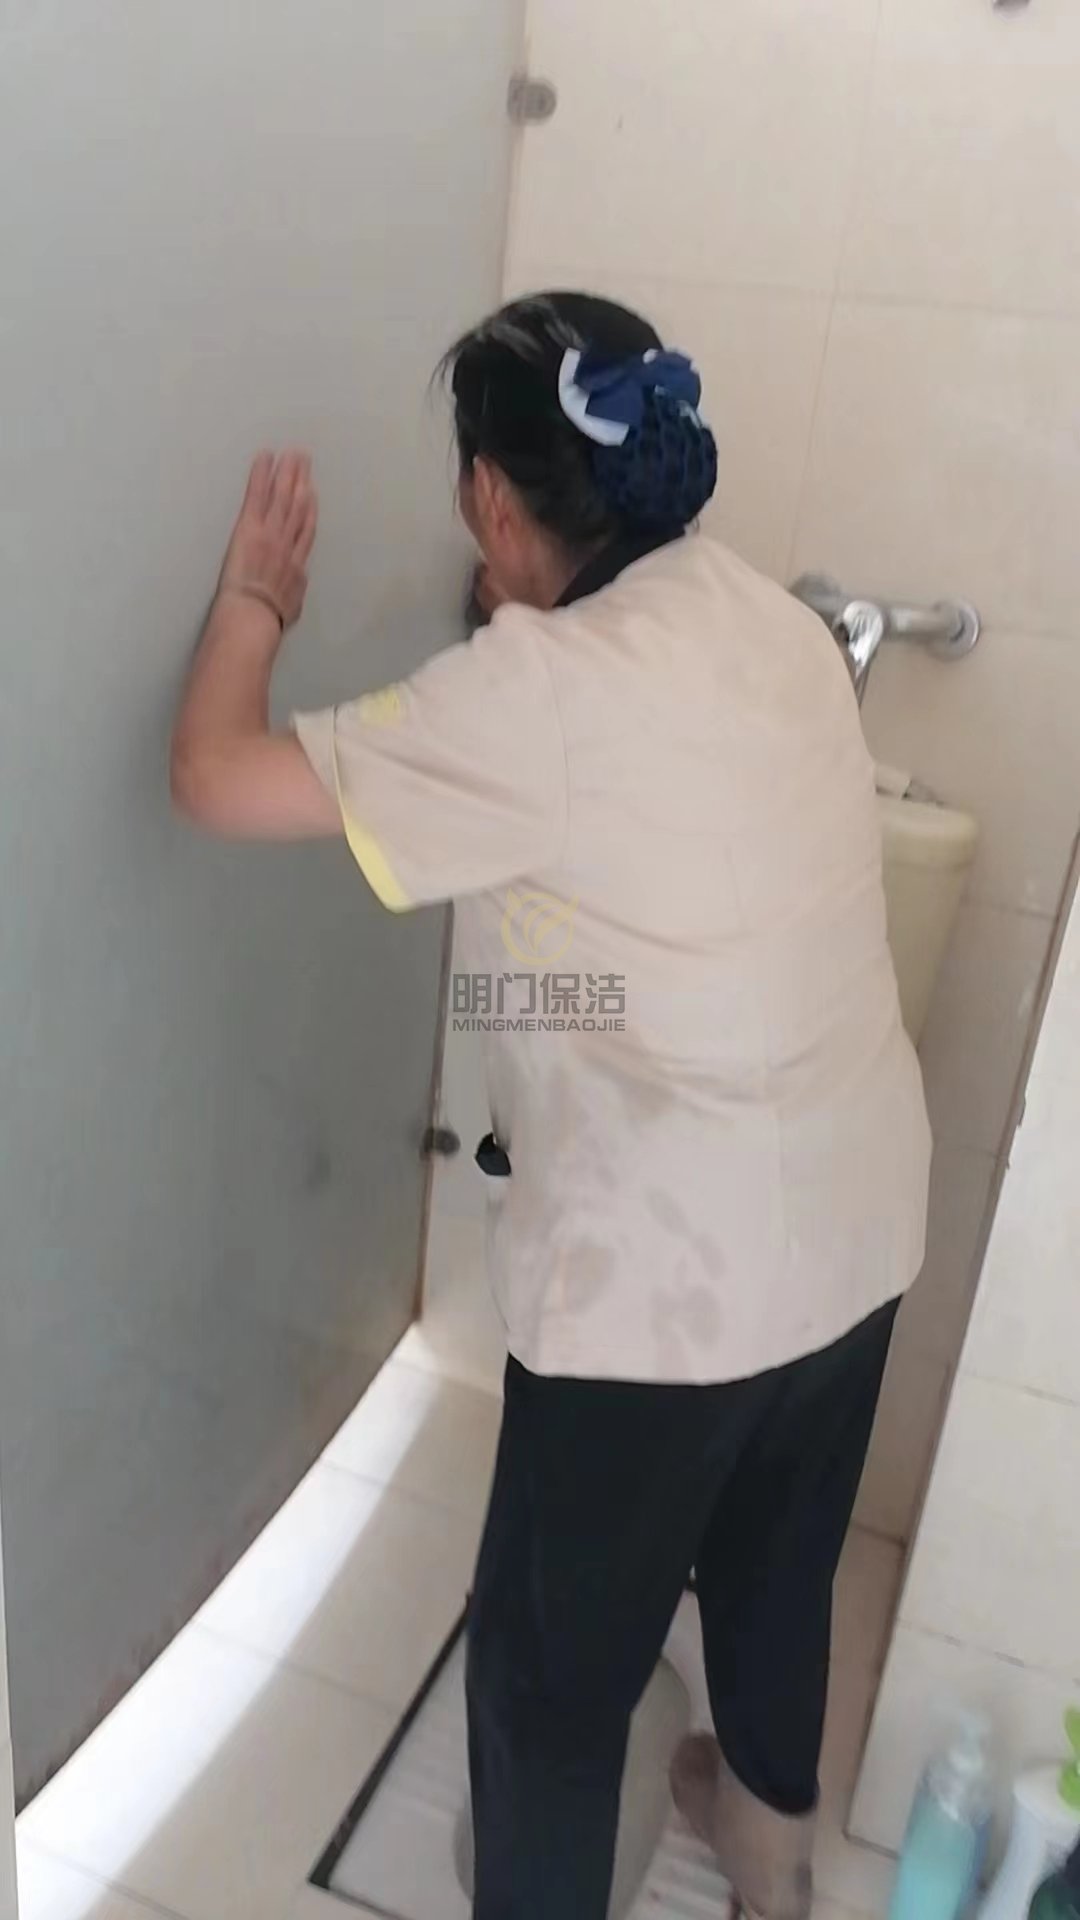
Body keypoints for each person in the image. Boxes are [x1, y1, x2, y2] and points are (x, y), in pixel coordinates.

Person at [171, 292, 932, 1920]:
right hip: (862, 1224)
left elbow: (214, 777)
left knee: (547, 1683)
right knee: (776, 1574)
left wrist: (254, 598)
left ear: (487, 496)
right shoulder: (772, 620)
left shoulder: (527, 698)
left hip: (670, 1300)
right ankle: (772, 1869)